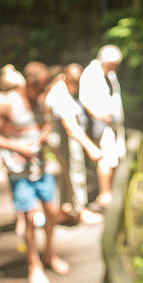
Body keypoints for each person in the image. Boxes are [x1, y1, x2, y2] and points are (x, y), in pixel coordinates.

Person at [0, 64, 68, 283]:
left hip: (41, 167)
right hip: (19, 173)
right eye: (41, 85)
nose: (44, 90)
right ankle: (33, 264)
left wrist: (45, 134)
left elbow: (43, 123)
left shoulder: (40, 101)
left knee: (51, 213)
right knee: (29, 218)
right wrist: (17, 148)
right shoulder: (6, 104)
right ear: (30, 82)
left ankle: (48, 255)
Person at [45, 64, 104, 224]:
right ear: (66, 77)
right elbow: (71, 126)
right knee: (75, 173)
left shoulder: (59, 88)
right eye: (75, 82)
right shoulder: (61, 94)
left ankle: (66, 209)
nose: (77, 86)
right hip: (67, 142)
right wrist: (91, 147)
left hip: (62, 140)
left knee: (66, 175)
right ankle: (79, 211)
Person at [79, 45, 125, 207]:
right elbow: (85, 100)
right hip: (100, 124)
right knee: (106, 158)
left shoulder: (109, 74)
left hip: (111, 123)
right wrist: (100, 116)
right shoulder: (91, 74)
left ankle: (108, 192)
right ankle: (105, 195)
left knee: (111, 157)